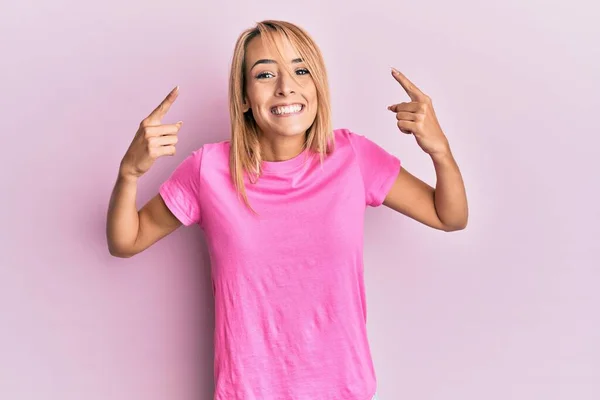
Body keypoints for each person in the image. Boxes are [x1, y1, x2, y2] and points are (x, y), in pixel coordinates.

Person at [106, 19, 468, 400]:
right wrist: (129, 172)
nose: (286, 86)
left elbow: (450, 216)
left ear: (316, 86)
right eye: (265, 74)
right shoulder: (208, 170)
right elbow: (125, 241)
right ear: (243, 97)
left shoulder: (354, 157)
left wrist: (439, 150)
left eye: (300, 70)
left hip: (344, 392)